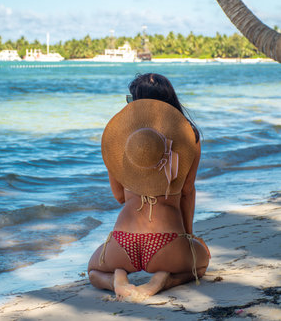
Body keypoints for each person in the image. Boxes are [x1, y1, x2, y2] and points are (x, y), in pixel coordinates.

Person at [88, 73, 210, 301]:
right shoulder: (188, 137)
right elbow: (187, 192)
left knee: (94, 272)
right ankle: (164, 279)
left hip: (124, 241)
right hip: (167, 242)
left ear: (137, 103)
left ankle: (116, 278)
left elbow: (119, 197)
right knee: (201, 263)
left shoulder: (120, 141)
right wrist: (188, 236)